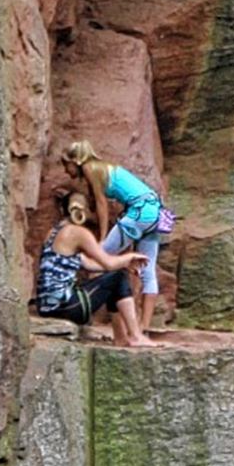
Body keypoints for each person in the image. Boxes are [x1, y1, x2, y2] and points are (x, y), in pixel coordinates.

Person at [61, 140, 166, 334]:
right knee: (147, 268)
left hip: (140, 211)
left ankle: (91, 315)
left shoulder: (91, 168)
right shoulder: (106, 168)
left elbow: (102, 204)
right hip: (155, 211)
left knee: (100, 256)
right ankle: (144, 327)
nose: (65, 171)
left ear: (75, 161)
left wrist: (101, 237)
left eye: (65, 165)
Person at [35, 191, 155, 347]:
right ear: (83, 211)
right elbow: (108, 264)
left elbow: (90, 265)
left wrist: (124, 264)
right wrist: (129, 257)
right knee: (118, 277)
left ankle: (122, 338)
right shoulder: (78, 233)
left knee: (114, 278)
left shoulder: (53, 233)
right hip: (66, 307)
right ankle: (135, 335)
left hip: (47, 307)